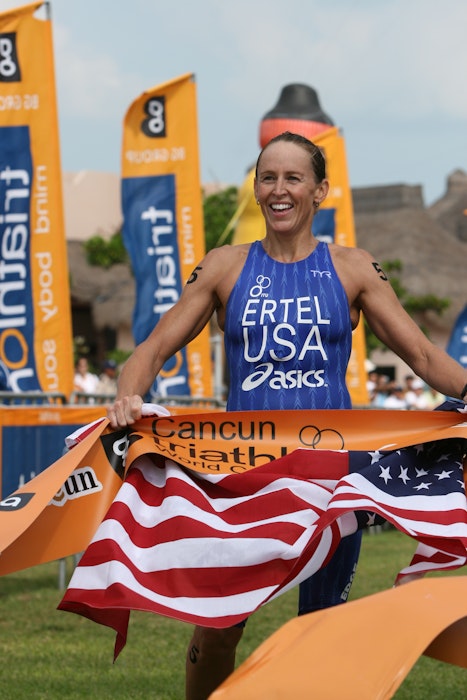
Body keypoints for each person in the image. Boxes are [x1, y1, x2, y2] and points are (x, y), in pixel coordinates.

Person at [107, 132, 467, 700]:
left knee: (319, 631)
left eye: (293, 178)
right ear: (256, 188)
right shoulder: (224, 266)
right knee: (218, 630)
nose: (279, 189)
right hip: (240, 482)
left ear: (319, 190)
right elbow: (150, 350)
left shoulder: (354, 268)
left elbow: (422, 356)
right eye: (267, 178)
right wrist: (129, 395)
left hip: (329, 483)